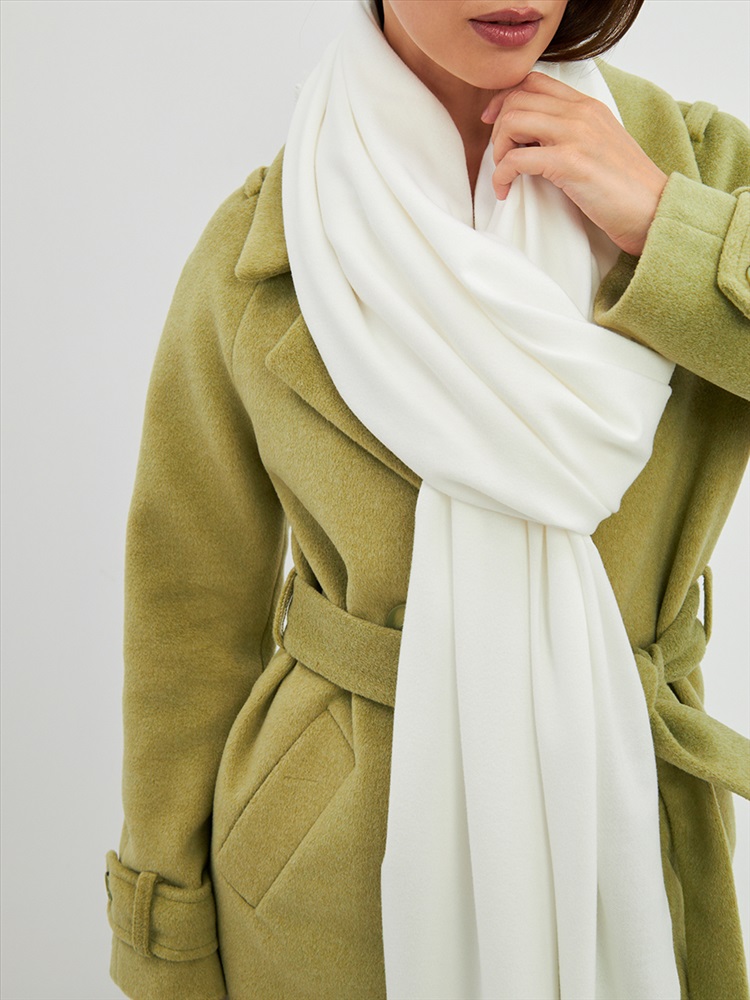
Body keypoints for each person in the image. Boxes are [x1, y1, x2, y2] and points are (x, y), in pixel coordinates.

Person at [104, 1, 750, 998]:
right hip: (330, 881)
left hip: (629, 816)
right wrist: (166, 942)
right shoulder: (271, 236)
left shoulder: (700, 171)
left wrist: (668, 225)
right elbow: (186, 614)